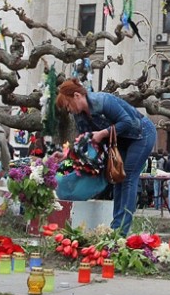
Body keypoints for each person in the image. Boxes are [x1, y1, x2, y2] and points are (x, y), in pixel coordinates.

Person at [56, 78, 156, 235]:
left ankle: (122, 230)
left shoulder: (103, 101)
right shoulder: (79, 116)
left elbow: (127, 122)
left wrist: (103, 133)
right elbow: (85, 139)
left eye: (68, 104)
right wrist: (67, 154)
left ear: (77, 95)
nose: (69, 109)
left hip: (141, 134)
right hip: (121, 140)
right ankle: (116, 227)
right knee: (117, 178)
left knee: (128, 177)